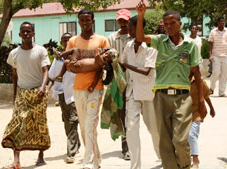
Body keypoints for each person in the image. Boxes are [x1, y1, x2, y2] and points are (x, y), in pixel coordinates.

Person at [136, 1, 206, 168]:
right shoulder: (160, 41)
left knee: (180, 139)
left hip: (183, 97)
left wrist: (202, 100)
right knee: (165, 140)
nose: (169, 26)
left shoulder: (190, 45)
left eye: (172, 23)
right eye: (166, 24)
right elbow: (139, 37)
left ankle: (185, 166)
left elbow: (196, 73)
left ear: (180, 24)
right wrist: (140, 16)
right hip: (160, 96)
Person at [2, 22, 51, 169]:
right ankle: (16, 160)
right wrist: (15, 95)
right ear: (19, 34)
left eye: (28, 31)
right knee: (18, 123)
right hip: (22, 94)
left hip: (38, 93)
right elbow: (14, 76)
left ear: (33, 33)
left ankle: (41, 156)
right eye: (23, 31)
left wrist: (43, 87)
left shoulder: (41, 51)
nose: (26, 34)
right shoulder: (14, 54)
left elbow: (45, 71)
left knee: (39, 124)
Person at [66, 9, 110, 169]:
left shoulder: (102, 40)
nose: (85, 22)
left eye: (88, 19)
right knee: (85, 128)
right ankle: (96, 160)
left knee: (90, 125)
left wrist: (89, 74)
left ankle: (88, 163)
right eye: (82, 20)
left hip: (95, 89)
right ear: (79, 22)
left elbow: (103, 65)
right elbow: (71, 66)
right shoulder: (73, 41)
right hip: (78, 89)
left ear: (93, 21)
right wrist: (90, 64)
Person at [119, 15, 160, 169]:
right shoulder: (128, 45)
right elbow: (121, 65)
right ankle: (135, 166)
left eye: (131, 28)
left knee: (153, 129)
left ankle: (163, 157)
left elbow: (147, 71)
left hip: (149, 93)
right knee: (131, 128)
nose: (128, 30)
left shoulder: (151, 47)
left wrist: (124, 64)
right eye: (128, 28)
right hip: (132, 92)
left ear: (140, 28)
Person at [47, 33, 81, 163]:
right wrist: (48, 89)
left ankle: (70, 152)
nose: (67, 42)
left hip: (75, 94)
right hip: (62, 94)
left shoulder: (78, 58)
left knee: (73, 121)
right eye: (64, 40)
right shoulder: (57, 59)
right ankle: (76, 143)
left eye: (69, 40)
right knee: (67, 122)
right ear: (61, 43)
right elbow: (52, 76)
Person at [107, 8, 133, 160]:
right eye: (120, 21)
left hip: (134, 80)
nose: (122, 23)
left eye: (125, 21)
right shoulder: (111, 38)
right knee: (122, 114)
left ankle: (133, 143)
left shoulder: (134, 37)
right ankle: (126, 147)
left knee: (133, 114)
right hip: (118, 82)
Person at [187, 74, 215, 169]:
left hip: (196, 112)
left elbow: (206, 95)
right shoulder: (180, 78)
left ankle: (195, 158)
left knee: (192, 134)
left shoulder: (199, 80)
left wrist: (211, 108)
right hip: (182, 112)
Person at [209, 16, 227, 97]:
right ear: (218, 22)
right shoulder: (213, 31)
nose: (222, 23)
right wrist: (210, 55)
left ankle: (221, 92)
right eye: (221, 21)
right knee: (216, 72)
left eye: (223, 21)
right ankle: (211, 88)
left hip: (225, 55)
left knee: (224, 74)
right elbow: (210, 44)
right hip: (216, 55)